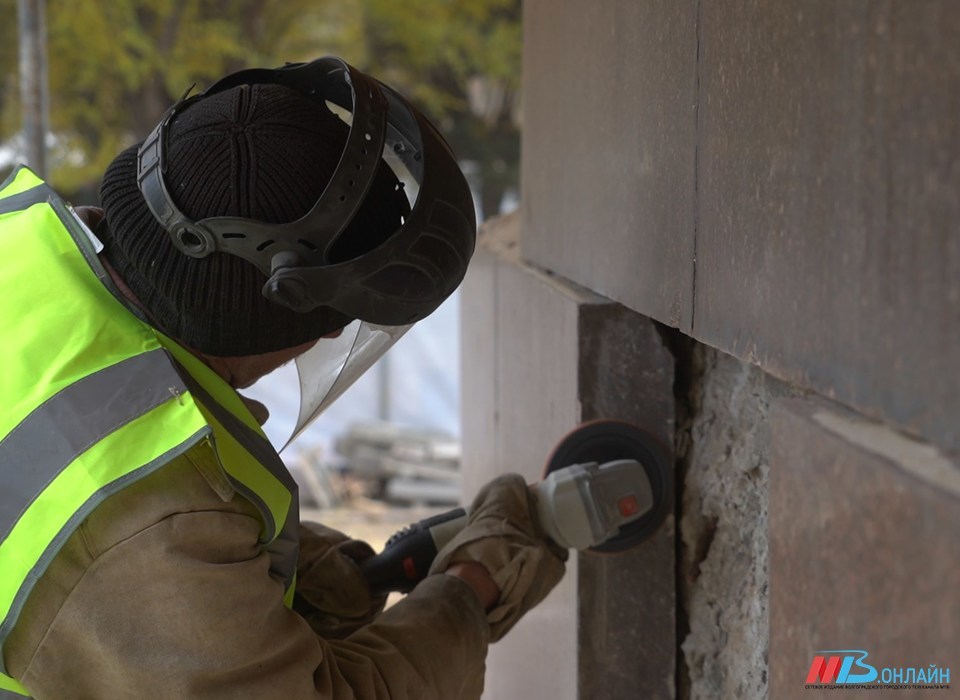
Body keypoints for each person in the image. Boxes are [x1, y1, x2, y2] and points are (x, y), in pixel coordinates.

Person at [0, 58, 566, 699]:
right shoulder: (156, 526)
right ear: (293, 314)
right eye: (341, 319)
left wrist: (269, 563)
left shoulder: (14, 239)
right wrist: (475, 585)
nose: (332, 336)